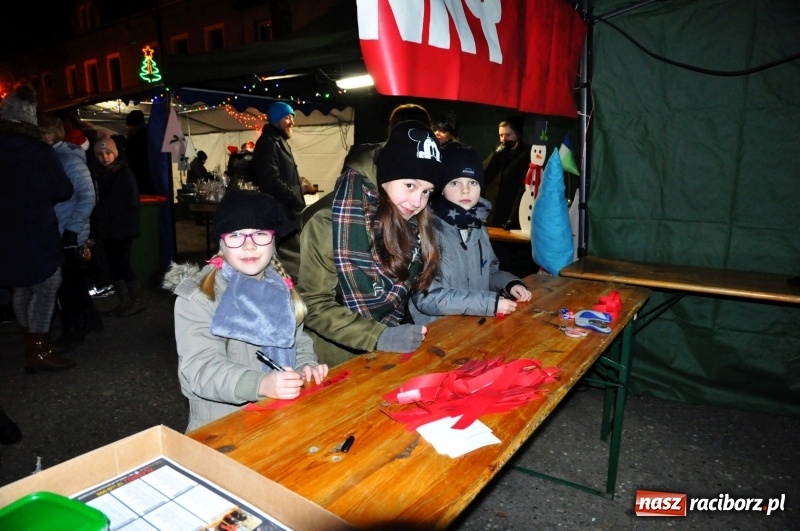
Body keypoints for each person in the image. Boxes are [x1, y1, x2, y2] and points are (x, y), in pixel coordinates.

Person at [162, 189, 329, 432]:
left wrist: (306, 367)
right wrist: (260, 384)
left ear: (273, 241)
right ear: (222, 243)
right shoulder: (199, 297)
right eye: (236, 235)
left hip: (283, 419)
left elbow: (297, 341)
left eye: (260, 234)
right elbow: (200, 369)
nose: (249, 246)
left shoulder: (283, 289)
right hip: (222, 428)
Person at [298, 120, 444, 367]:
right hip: (331, 359)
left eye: (427, 191)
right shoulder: (330, 221)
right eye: (410, 185)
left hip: (387, 348)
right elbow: (313, 304)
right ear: (386, 176)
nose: (417, 201)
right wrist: (378, 336)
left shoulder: (412, 221)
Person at [409, 143, 531, 325]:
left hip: (471, 327)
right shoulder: (428, 230)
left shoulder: (478, 227)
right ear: (441, 187)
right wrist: (488, 304)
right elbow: (426, 297)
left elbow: (489, 270)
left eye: (472, 182)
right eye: (455, 182)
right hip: (436, 330)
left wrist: (509, 284)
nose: (465, 190)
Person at [0, 84, 77, 372]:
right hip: (35, 230)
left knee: (21, 286)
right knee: (46, 285)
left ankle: (29, 342)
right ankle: (39, 350)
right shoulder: (37, 150)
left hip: (5, 234)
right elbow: (62, 189)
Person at [39, 114, 103, 349]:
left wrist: (72, 229)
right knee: (72, 281)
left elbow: (87, 197)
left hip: (67, 230)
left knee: (67, 285)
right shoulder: (56, 158)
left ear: (48, 135)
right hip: (62, 229)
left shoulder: (68, 160)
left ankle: (74, 328)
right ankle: (89, 321)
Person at [92, 133, 146, 317]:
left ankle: (137, 301)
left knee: (123, 265)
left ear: (115, 153)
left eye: (108, 152)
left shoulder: (124, 173)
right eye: (100, 154)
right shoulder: (98, 174)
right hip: (106, 229)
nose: (104, 156)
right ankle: (125, 301)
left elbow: (132, 203)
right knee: (113, 266)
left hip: (122, 230)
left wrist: (130, 229)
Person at [251, 101, 306, 279]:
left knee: (288, 262)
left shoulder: (277, 140)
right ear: (276, 120)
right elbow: (271, 181)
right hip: (280, 214)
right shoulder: (268, 143)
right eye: (287, 117)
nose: (292, 122)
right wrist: (294, 199)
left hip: (287, 211)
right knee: (283, 262)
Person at [482, 117, 531, 229]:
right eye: (501, 135)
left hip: (507, 213)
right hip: (491, 214)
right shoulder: (499, 154)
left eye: (508, 135)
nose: (503, 139)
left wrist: (512, 218)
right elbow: (483, 171)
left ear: (517, 135)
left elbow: (522, 189)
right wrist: (495, 154)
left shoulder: (523, 156)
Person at [124, 109, 156, 194]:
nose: (127, 129)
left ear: (131, 125)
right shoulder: (149, 133)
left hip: (139, 177)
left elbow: (134, 160)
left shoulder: (135, 138)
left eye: (128, 126)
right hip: (151, 176)